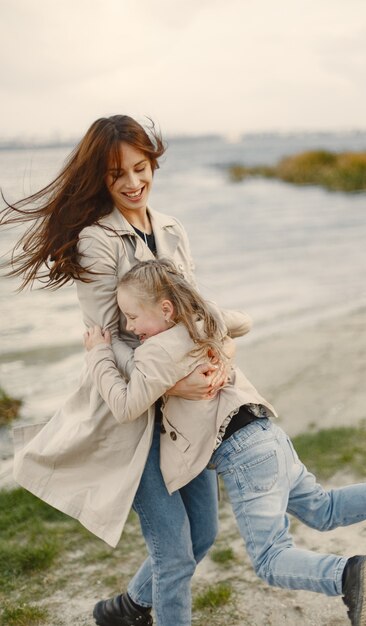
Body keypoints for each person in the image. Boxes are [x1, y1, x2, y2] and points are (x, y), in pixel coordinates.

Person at [2, 115, 251, 626]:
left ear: (153, 162)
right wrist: (171, 378)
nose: (134, 183)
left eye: (141, 168)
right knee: (175, 554)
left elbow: (193, 312)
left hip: (185, 413)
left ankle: (128, 608)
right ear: (101, 178)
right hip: (130, 415)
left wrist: (218, 357)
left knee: (203, 534)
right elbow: (104, 337)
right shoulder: (97, 241)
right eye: (119, 175)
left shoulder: (173, 230)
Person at [84, 258, 366, 626]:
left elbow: (126, 405)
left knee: (271, 558)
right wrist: (209, 327)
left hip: (243, 457)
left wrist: (99, 354)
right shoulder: (200, 325)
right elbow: (242, 320)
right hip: (268, 436)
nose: (129, 327)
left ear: (165, 309)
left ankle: (346, 574)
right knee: (324, 508)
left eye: (132, 316)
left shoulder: (154, 351)